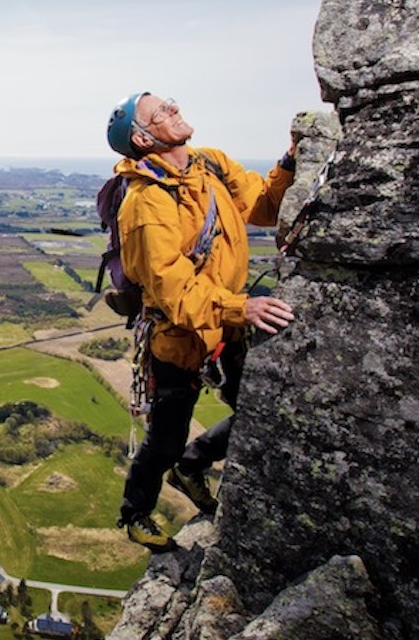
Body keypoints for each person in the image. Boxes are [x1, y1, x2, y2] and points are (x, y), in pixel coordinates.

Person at [105, 91, 297, 552]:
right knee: (166, 438)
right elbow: (172, 292)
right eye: (160, 112)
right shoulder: (146, 202)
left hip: (227, 320)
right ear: (142, 137)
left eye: (169, 102)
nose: (173, 109)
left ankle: (193, 466)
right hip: (180, 335)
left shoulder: (209, 164)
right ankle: (136, 514)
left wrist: (290, 160)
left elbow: (264, 208)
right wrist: (241, 308)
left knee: (258, 409)